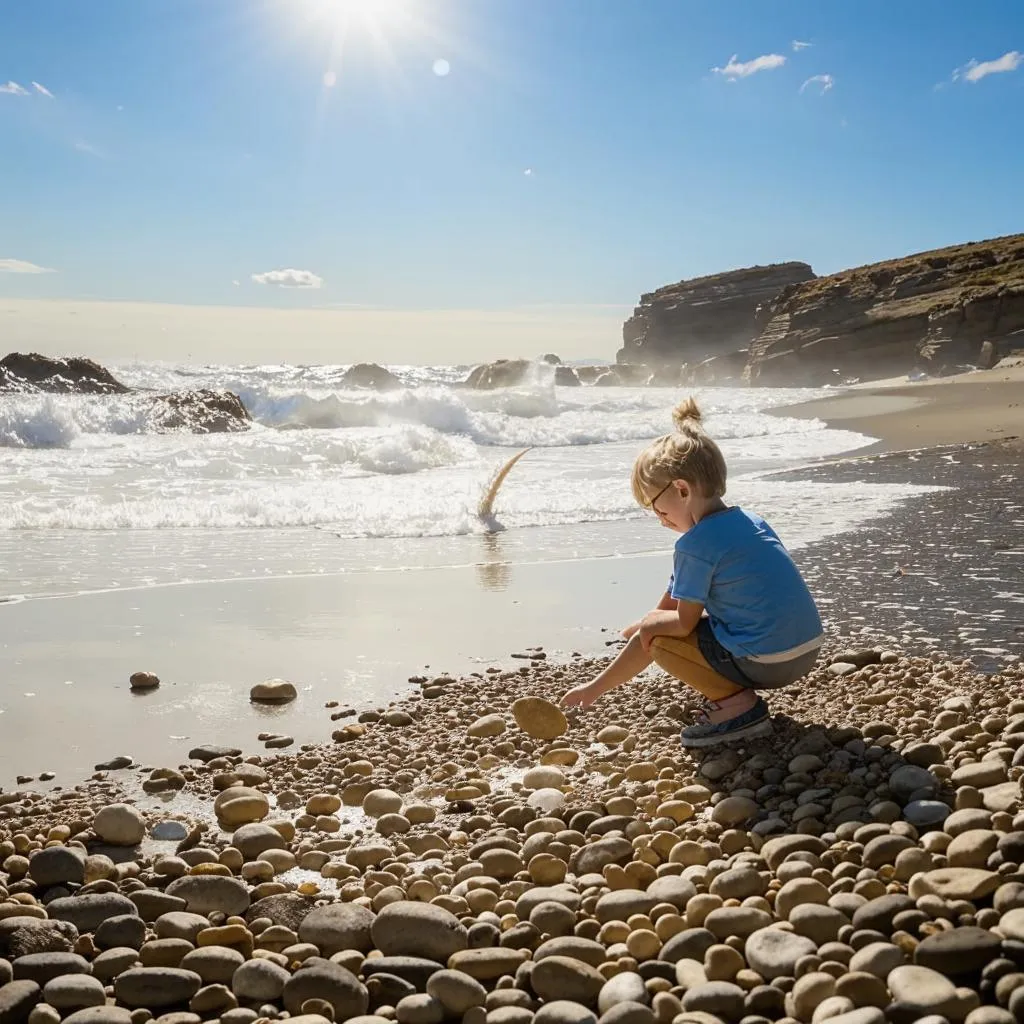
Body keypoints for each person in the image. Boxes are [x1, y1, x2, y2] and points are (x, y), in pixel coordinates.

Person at [561, 397, 823, 747]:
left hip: (768, 662)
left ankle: (738, 708)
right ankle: (735, 696)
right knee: (655, 627)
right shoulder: (750, 521)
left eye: (655, 507)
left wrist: (598, 685)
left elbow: (679, 624)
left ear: (681, 490)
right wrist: (646, 623)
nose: (659, 519)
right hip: (806, 651)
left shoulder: (695, 544)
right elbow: (669, 604)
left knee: (662, 640)